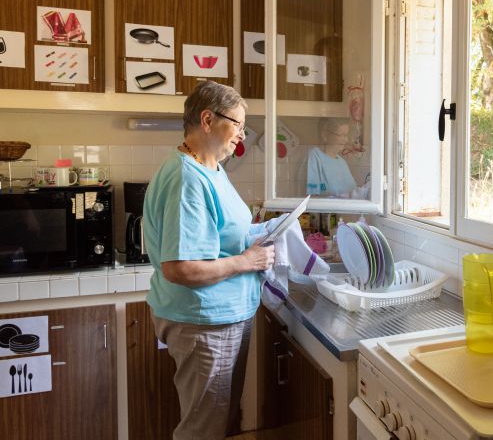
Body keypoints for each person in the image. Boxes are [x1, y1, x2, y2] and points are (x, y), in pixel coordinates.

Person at [143, 81, 275, 440]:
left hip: (223, 316)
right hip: (204, 323)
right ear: (207, 119)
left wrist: (259, 237)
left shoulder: (212, 169)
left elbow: (221, 237)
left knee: (218, 419)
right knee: (204, 429)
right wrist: (248, 261)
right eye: (237, 125)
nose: (241, 135)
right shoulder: (188, 177)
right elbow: (181, 268)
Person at [306, 117, 359, 197]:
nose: (346, 140)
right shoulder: (316, 156)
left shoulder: (342, 162)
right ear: (325, 134)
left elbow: (353, 192)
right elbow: (313, 194)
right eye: (341, 135)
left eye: (346, 135)